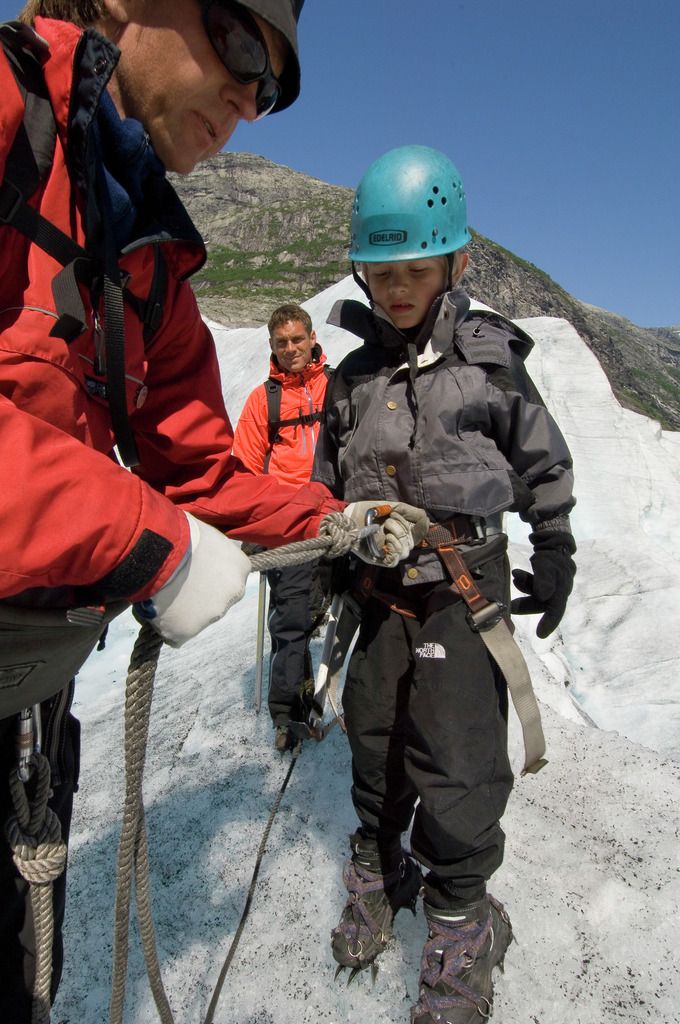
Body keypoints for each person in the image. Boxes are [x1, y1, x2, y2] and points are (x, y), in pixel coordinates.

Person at [0, 5, 430, 1020]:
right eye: (240, 44)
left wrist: (339, 517)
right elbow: (162, 508)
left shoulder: (145, 253)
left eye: (271, 86)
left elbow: (196, 466)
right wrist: (136, 538)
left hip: (29, 706)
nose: (249, 101)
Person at [312, 145, 577, 1024]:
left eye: (415, 270)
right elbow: (325, 484)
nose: (394, 289)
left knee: (457, 758)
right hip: (378, 583)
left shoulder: (489, 360)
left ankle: (465, 920)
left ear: (455, 263)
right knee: (374, 729)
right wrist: (326, 563)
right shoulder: (350, 378)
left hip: (464, 586)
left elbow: (539, 455)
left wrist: (556, 542)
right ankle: (380, 860)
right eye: (379, 272)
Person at [233, 303, 333, 752]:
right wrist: (257, 524)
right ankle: (288, 714)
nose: (290, 349)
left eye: (297, 339)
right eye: (281, 343)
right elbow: (246, 469)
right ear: (272, 346)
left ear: (312, 338)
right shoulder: (263, 401)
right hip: (290, 523)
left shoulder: (337, 387)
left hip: (339, 514)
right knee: (292, 619)